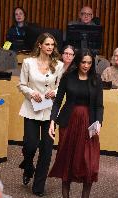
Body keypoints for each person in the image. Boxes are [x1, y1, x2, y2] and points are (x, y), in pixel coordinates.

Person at [48, 49, 104, 198]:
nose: (86, 65)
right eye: (83, 62)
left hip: (89, 123)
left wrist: (99, 122)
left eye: (89, 63)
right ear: (78, 62)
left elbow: (99, 105)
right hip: (69, 121)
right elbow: (58, 101)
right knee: (68, 160)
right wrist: (52, 121)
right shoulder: (68, 77)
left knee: (89, 163)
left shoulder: (96, 79)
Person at [17, 33, 64, 197]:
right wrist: (31, 93)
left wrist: (55, 92)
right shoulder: (28, 62)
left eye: (52, 45)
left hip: (49, 111)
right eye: (47, 44)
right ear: (40, 45)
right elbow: (21, 85)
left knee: (46, 150)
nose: (50, 47)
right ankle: (28, 166)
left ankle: (38, 187)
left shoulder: (58, 65)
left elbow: (61, 87)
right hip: (31, 109)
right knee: (30, 145)